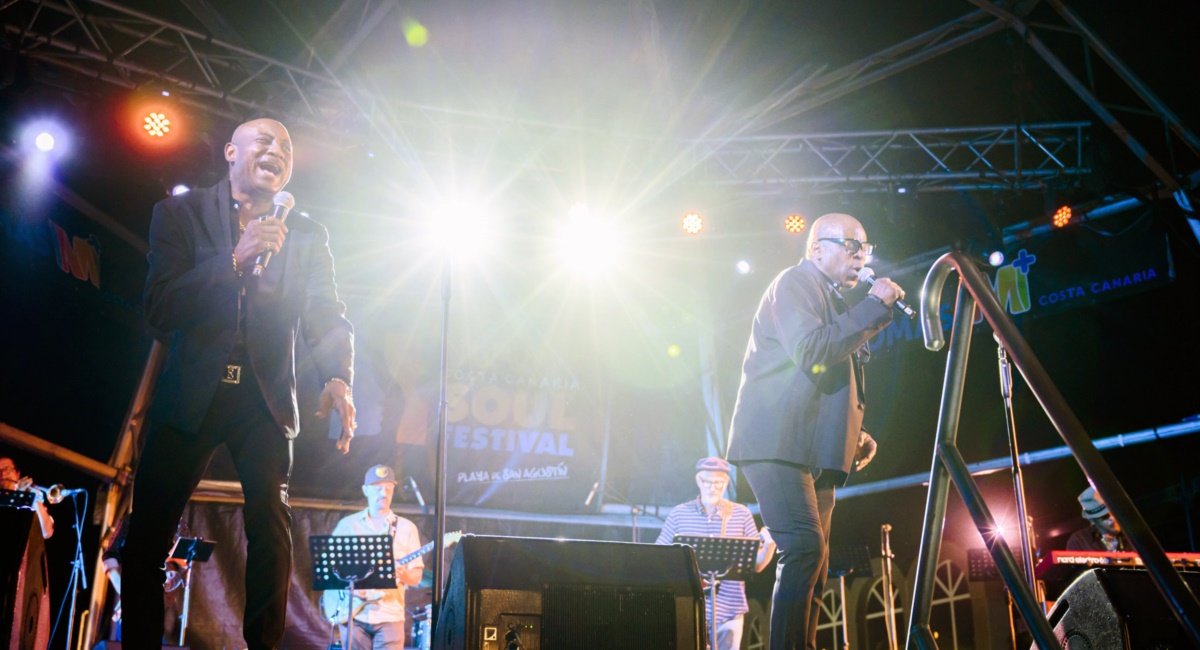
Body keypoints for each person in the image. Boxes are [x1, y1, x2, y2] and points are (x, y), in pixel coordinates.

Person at [123, 117, 358, 649]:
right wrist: (234, 259)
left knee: (271, 530)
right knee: (147, 535)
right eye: (265, 141)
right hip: (192, 395)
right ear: (231, 152)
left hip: (263, 399)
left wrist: (338, 377)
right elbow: (160, 307)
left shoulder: (307, 234)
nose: (277, 151)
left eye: (287, 147)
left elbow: (327, 314)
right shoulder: (178, 214)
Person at [726, 212, 903, 650]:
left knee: (817, 561)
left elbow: (822, 379)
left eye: (865, 249)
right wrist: (874, 305)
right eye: (851, 246)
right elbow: (812, 351)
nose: (860, 257)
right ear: (816, 249)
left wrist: (853, 433)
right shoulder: (794, 283)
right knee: (804, 547)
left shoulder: (830, 298)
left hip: (809, 448)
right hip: (775, 443)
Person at [656, 456, 776, 650]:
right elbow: (660, 557)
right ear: (698, 480)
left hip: (730, 611)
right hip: (690, 610)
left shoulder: (741, 513)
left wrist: (770, 546)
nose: (712, 487)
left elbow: (757, 565)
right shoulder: (679, 514)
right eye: (707, 482)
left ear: (726, 482)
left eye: (718, 483)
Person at [322, 464, 424, 648]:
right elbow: (328, 568)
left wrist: (402, 573)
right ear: (365, 490)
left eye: (388, 488)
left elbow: (416, 577)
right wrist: (352, 588)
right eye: (378, 488)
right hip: (354, 614)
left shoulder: (407, 528)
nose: (384, 494)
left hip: (390, 615)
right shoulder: (348, 526)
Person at [0, 456, 54, 538]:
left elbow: (47, 533)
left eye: (7, 469)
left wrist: (34, 498)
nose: (3, 474)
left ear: (17, 474)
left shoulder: (29, 496)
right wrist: (19, 495)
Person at [1066, 486, 1129, 552]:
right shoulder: (1079, 541)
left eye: (1115, 512)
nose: (1113, 518)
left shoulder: (1133, 532)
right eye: (1105, 516)